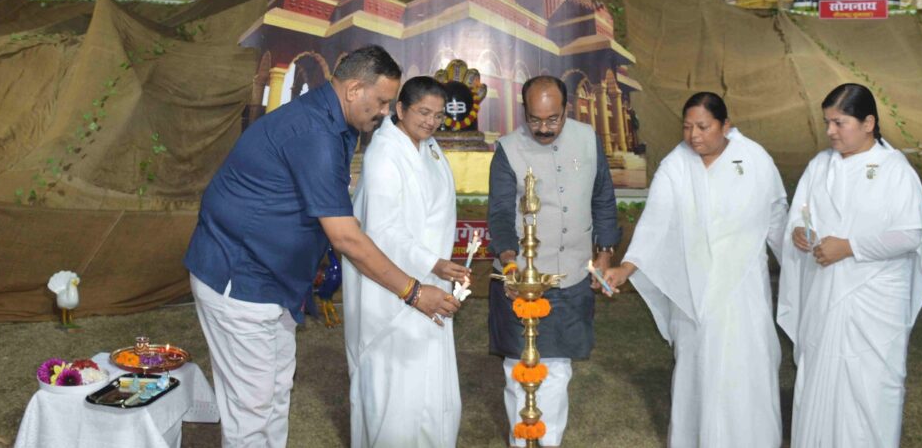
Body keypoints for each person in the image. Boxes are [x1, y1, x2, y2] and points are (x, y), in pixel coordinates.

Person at [184, 46, 460, 448]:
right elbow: (345, 237)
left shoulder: (337, 122)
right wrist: (414, 292)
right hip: (239, 277)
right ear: (353, 90)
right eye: (382, 101)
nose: (386, 112)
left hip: (274, 281)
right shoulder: (315, 132)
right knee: (251, 409)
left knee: (276, 395)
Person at [604, 92, 788, 447]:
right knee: (698, 368)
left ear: (726, 126)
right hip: (695, 291)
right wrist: (626, 268)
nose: (694, 136)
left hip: (743, 289)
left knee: (743, 368)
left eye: (703, 127)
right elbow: (656, 220)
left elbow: (777, 221)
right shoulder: (676, 164)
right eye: (687, 127)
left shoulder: (755, 159)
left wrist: (801, 267)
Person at [777, 83, 922, 448]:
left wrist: (849, 247)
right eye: (827, 122)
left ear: (868, 123)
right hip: (823, 296)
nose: (830, 131)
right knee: (819, 380)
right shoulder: (819, 166)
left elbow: (910, 235)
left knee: (870, 389)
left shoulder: (895, 170)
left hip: (874, 304)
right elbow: (800, 216)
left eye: (839, 122)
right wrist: (799, 232)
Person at [487, 75, 621, 447]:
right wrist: (513, 268)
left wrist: (605, 255)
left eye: (553, 119)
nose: (544, 129)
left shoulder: (588, 140)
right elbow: (499, 214)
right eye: (535, 120)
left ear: (567, 109)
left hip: (573, 276)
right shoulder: (508, 150)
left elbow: (603, 202)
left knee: (558, 370)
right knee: (519, 369)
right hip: (521, 279)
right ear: (524, 111)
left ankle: (549, 443)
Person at [344, 76, 470, 447]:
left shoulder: (429, 148)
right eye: (423, 112)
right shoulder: (385, 152)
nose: (431, 121)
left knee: (429, 377)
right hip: (391, 286)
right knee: (395, 382)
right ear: (400, 110)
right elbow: (384, 231)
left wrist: (442, 266)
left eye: (439, 115)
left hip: (432, 277)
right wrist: (434, 263)